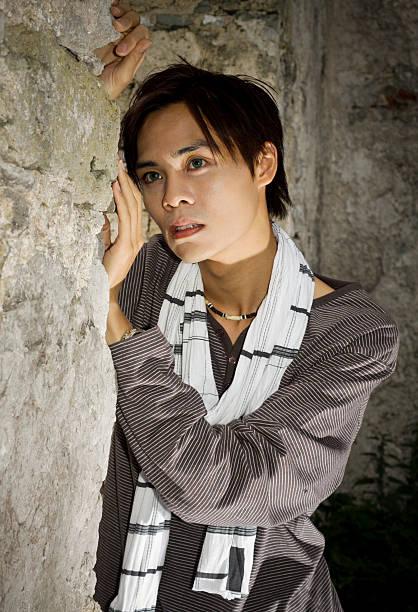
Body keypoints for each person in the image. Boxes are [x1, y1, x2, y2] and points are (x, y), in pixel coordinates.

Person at [92, 3, 400, 611]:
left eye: (197, 162)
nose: (172, 194)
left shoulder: (352, 333)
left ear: (264, 163)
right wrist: (91, 96)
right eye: (151, 175)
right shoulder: (139, 273)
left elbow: (232, 485)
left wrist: (119, 329)